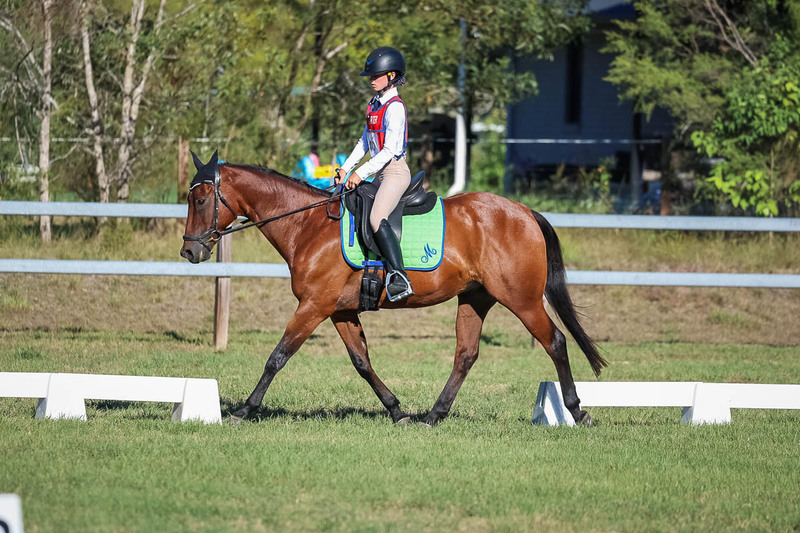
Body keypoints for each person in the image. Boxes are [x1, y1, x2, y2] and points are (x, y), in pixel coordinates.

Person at [335, 46, 413, 302]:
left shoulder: (395, 107)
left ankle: (399, 276)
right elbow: (364, 143)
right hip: (379, 172)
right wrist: (345, 168)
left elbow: (389, 150)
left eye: (376, 75)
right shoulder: (374, 104)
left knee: (377, 217)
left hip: (395, 173)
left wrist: (360, 173)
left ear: (392, 76)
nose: (371, 79)